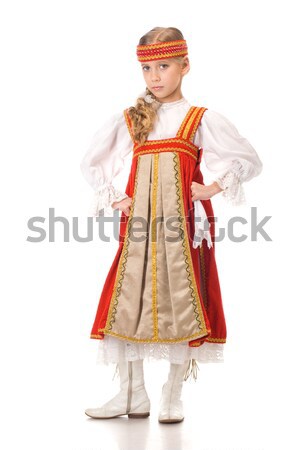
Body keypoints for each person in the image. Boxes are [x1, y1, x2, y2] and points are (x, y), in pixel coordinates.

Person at [80, 26, 263, 423]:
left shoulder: (199, 119)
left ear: (185, 66)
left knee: (183, 298)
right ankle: (132, 395)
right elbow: (92, 162)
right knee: (129, 299)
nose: (155, 77)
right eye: (147, 69)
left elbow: (247, 159)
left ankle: (172, 393)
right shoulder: (133, 119)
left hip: (184, 229)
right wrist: (116, 197)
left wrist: (211, 187)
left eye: (163, 66)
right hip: (140, 228)